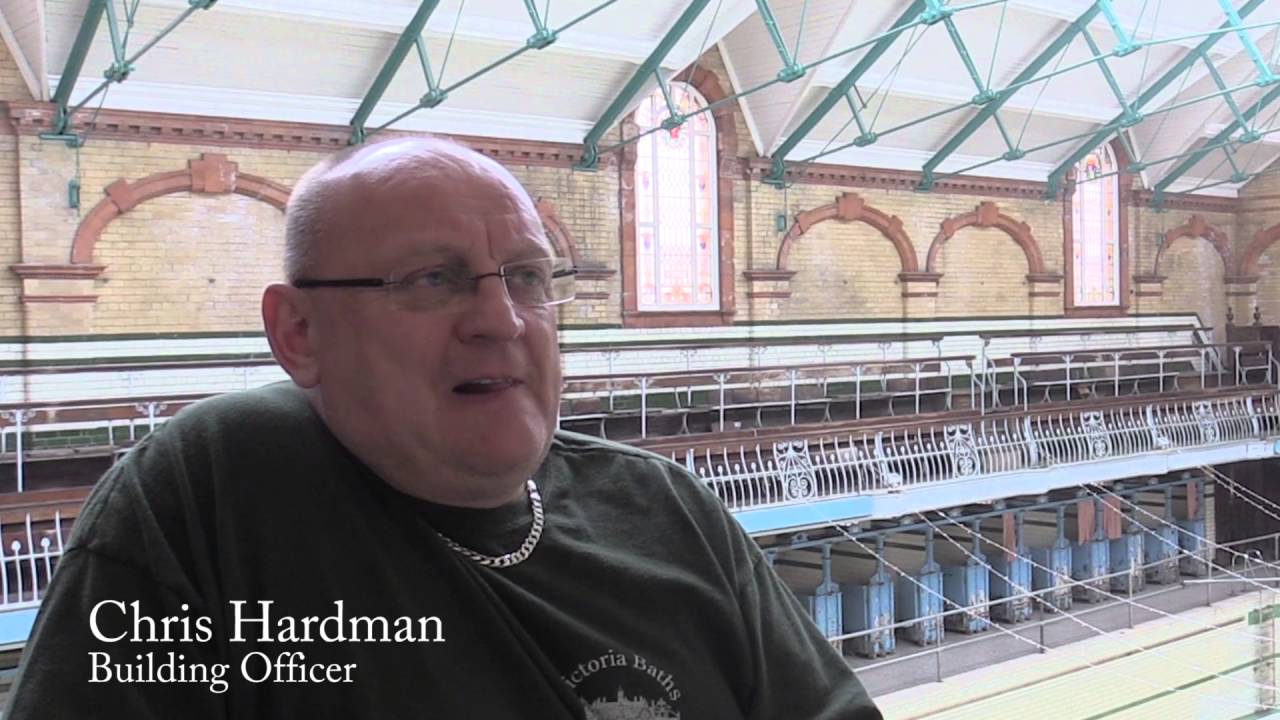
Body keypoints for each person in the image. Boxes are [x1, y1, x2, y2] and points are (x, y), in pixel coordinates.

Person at [6, 137, 882, 718]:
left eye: (528, 276)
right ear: (299, 333)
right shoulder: (210, 498)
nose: (501, 320)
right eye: (431, 280)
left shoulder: (665, 507)